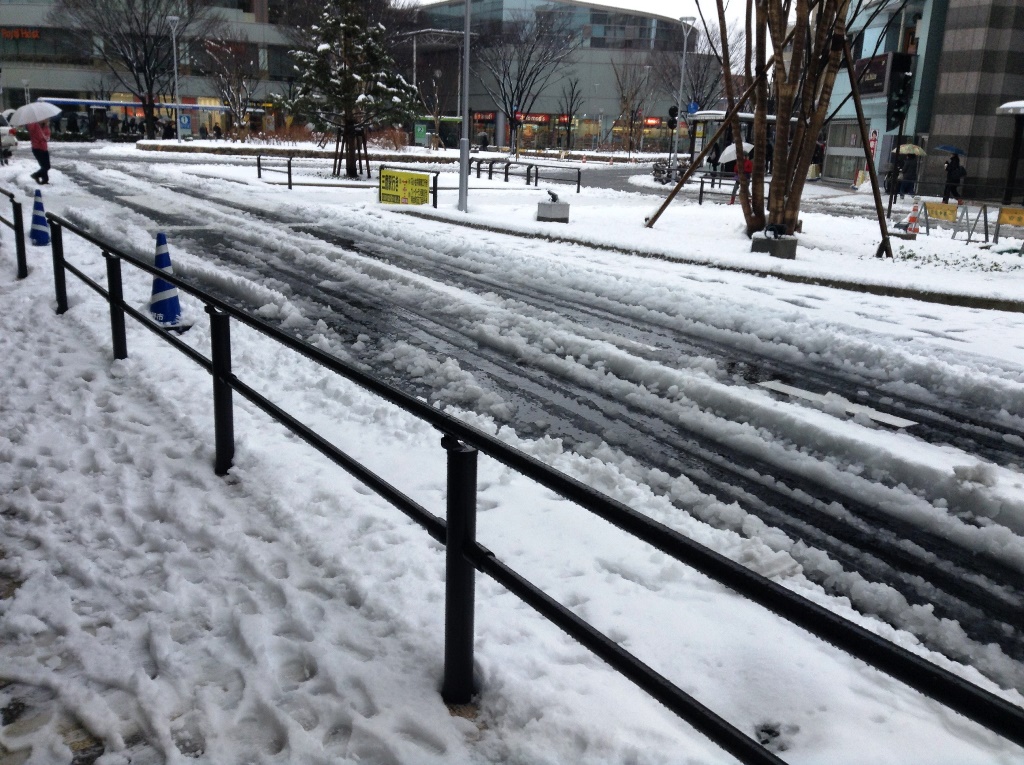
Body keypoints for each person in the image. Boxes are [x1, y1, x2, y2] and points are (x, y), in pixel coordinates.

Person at [28, 119, 51, 185]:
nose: (47, 120)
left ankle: (44, 179)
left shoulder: (45, 127)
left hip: (44, 148)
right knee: (45, 166)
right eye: (46, 119)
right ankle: (36, 175)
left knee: (45, 166)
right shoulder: (33, 125)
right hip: (37, 148)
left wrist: (46, 137)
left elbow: (48, 136)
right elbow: (37, 135)